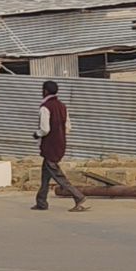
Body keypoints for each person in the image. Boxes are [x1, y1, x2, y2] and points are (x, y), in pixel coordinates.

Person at [31, 81, 89, 212]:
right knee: (45, 175)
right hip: (60, 144)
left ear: (45, 91)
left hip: (49, 146)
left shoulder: (45, 107)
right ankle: (41, 201)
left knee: (57, 175)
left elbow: (45, 129)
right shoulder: (62, 106)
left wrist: (36, 134)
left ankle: (78, 196)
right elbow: (68, 127)